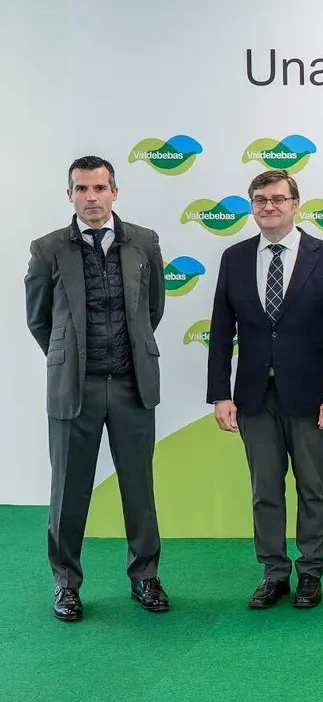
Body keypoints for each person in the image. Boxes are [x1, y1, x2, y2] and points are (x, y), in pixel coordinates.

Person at [25, 155, 169, 621]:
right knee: (68, 491)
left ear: (114, 192)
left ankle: (145, 576)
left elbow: (153, 309)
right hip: (75, 389)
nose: (91, 197)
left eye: (100, 188)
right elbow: (39, 319)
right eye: (82, 189)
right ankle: (66, 584)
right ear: (70, 195)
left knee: (138, 488)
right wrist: (69, 357)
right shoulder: (48, 248)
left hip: (132, 386)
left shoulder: (144, 242)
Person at [206, 170, 323, 610]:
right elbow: (221, 332)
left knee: (313, 487)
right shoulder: (234, 258)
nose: (268, 206)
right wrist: (221, 394)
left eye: (277, 198)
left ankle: (310, 573)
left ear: (295, 204)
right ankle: (274, 573)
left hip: (312, 397)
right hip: (254, 398)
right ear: (252, 206)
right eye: (260, 199)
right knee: (265, 490)